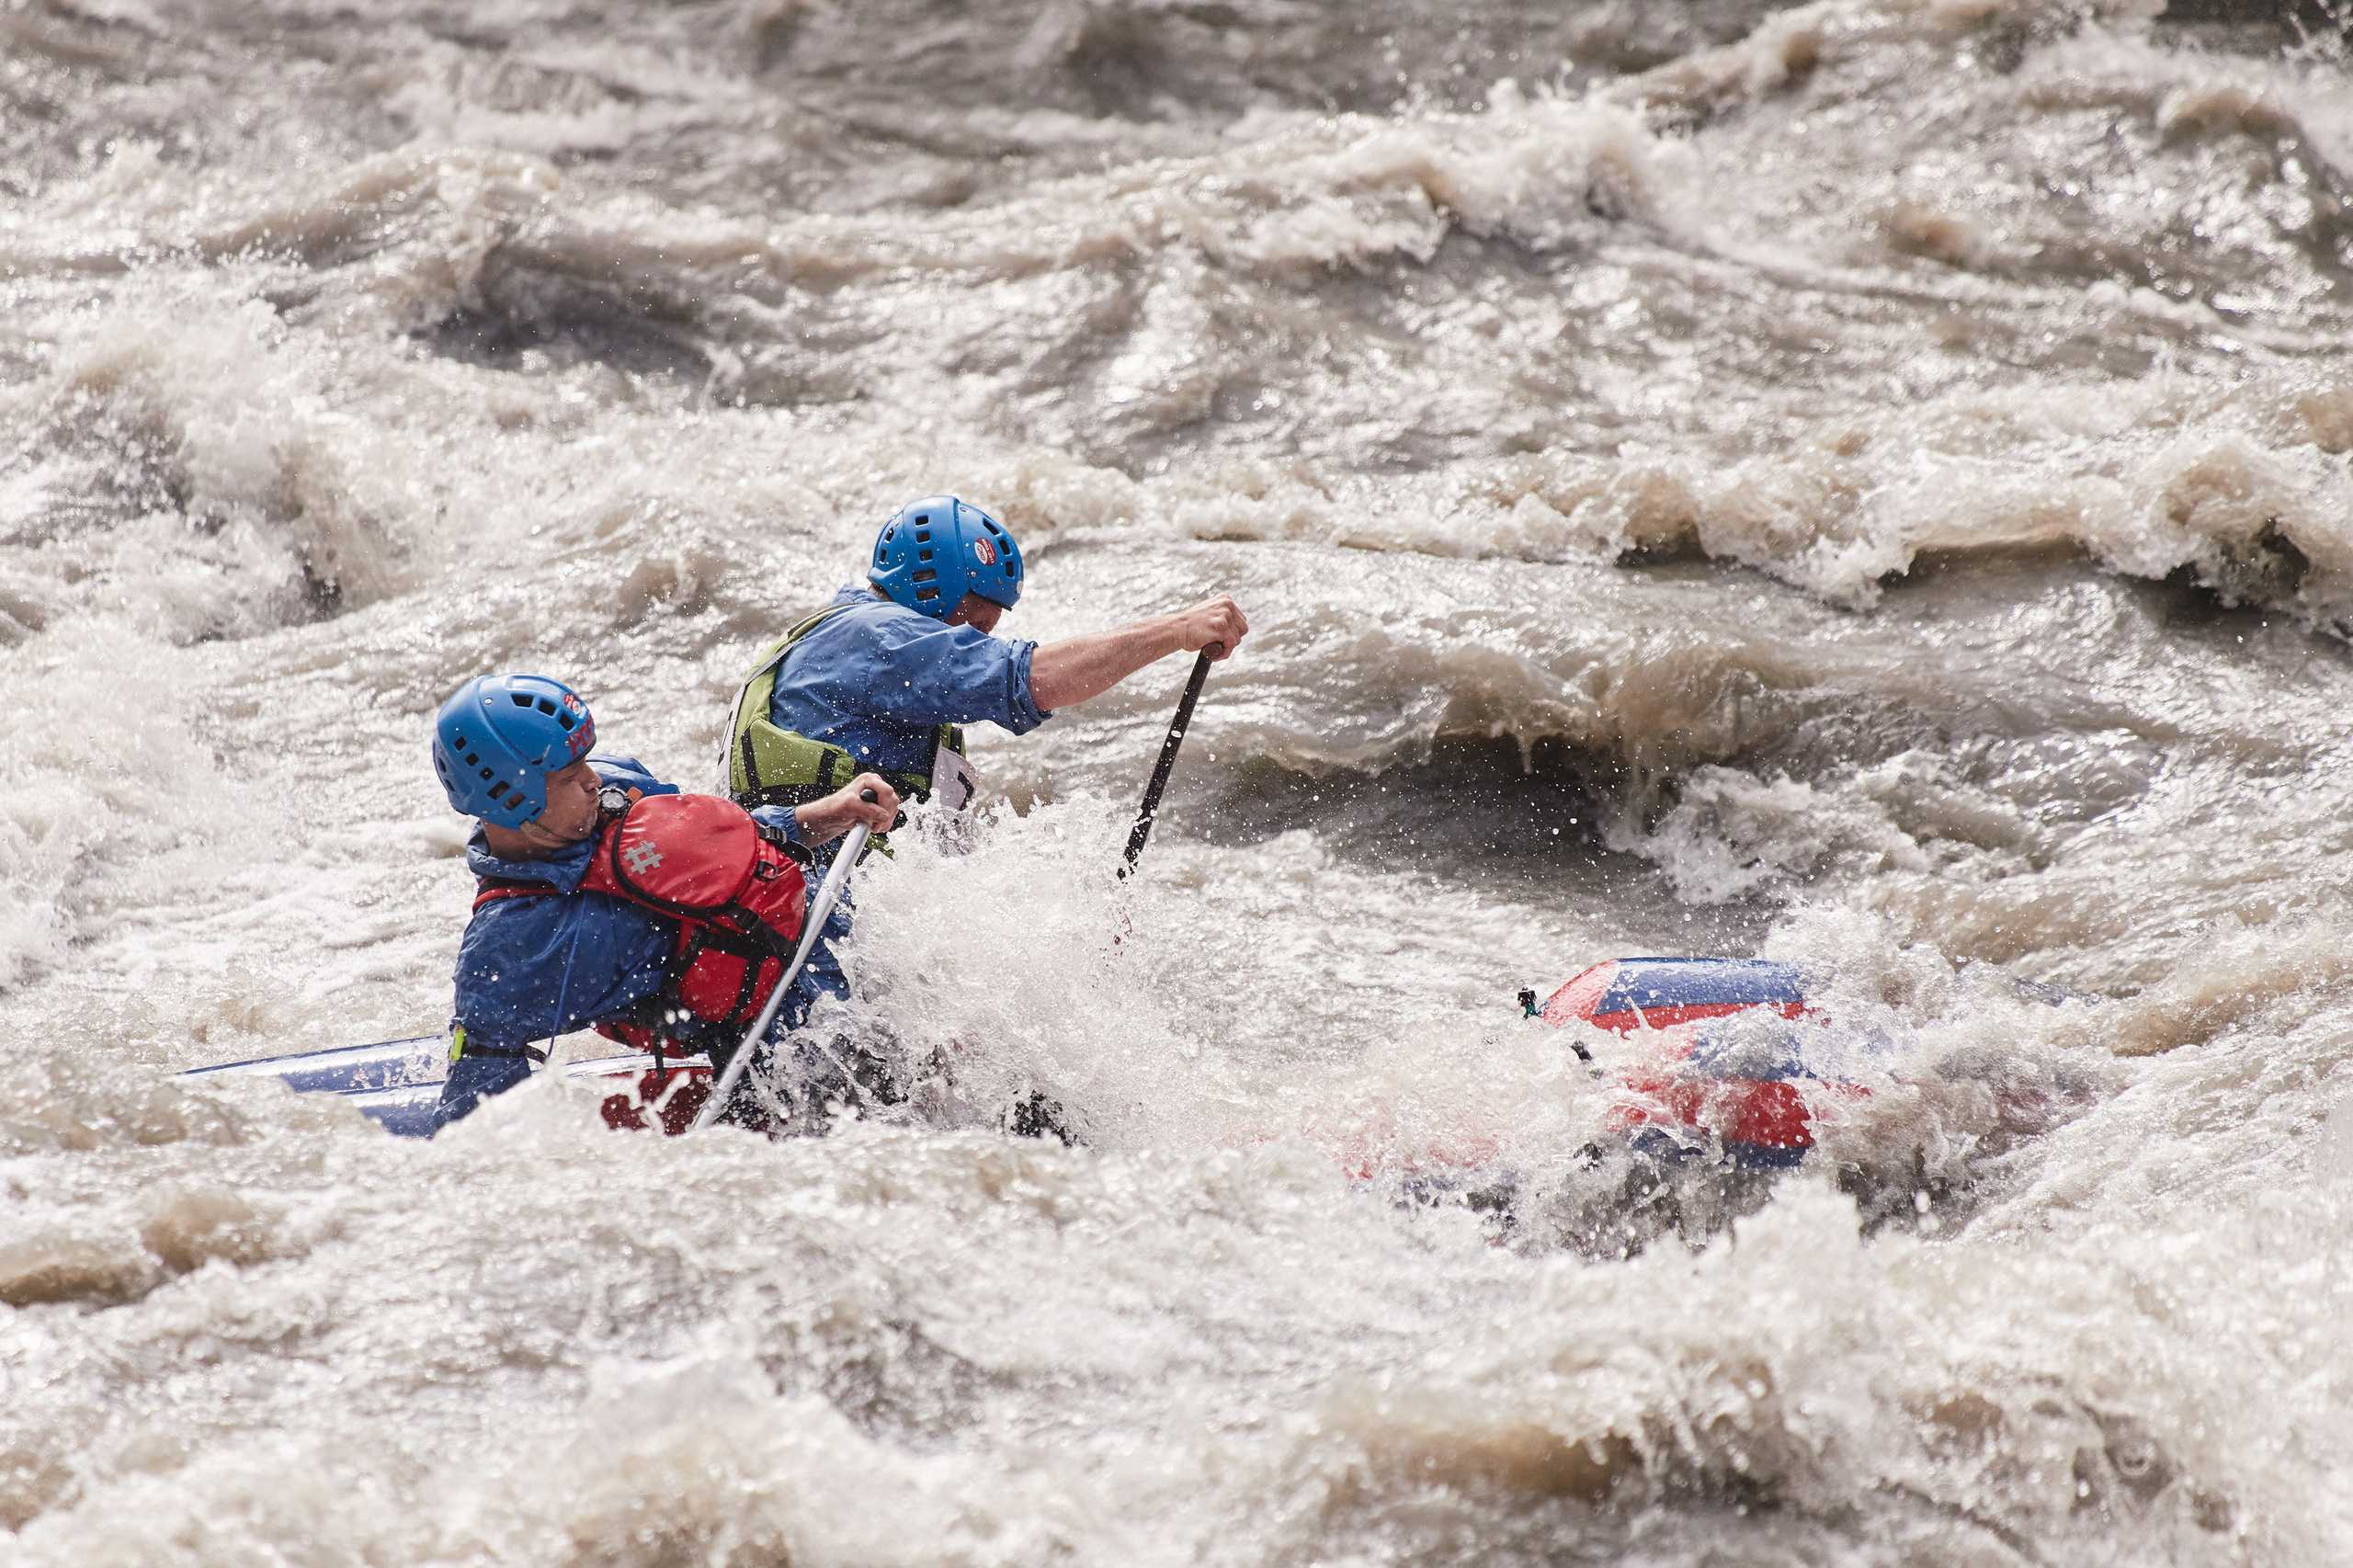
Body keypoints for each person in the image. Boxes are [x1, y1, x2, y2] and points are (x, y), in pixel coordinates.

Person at [430, 671, 897, 1132]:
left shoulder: (610, 788)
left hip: (856, 953)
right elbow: (477, 1127)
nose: (594, 780)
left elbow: (715, 845)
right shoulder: (509, 956)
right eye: (571, 775)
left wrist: (822, 815)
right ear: (514, 800)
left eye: (586, 762)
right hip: (794, 1043)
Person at [723, 493, 1248, 828]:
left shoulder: (834, 635)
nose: (981, 639)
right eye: (975, 622)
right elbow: (1035, 678)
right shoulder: (883, 639)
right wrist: (1178, 630)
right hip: (810, 904)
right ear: (934, 590)